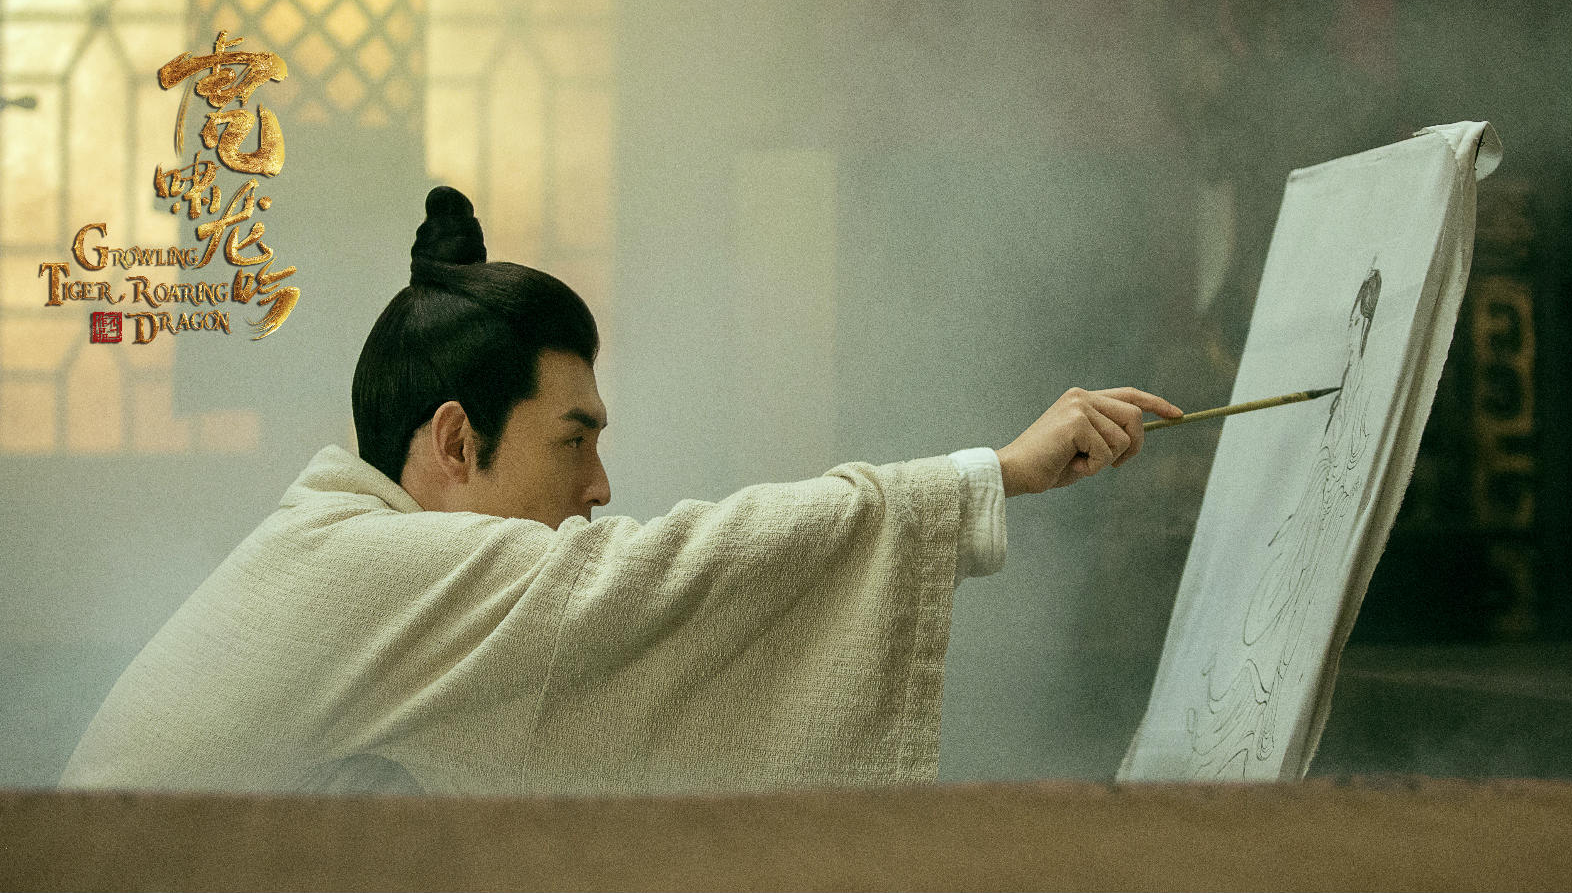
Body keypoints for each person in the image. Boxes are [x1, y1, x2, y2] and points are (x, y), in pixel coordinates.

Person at [59, 186, 1181, 796]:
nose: (600, 487)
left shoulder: (347, 552)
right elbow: (656, 579)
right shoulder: (363, 566)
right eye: (573, 440)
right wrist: (994, 473)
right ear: (454, 439)